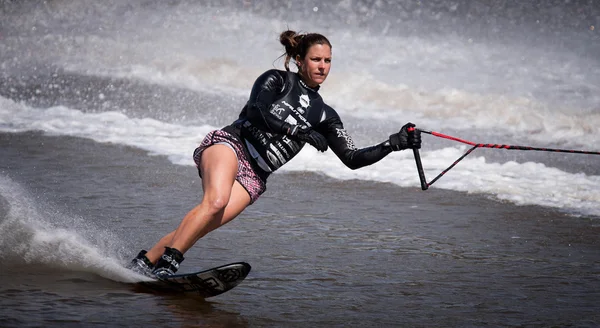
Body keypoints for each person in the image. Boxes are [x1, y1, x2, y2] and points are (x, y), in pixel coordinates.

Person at [128, 30, 421, 278]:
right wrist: (296, 132)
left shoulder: (326, 115)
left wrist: (393, 143)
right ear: (299, 60)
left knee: (200, 226)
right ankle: (169, 264)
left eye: (328, 60)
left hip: (256, 175)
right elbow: (256, 113)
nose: (322, 66)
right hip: (232, 145)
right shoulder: (277, 80)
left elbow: (353, 158)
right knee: (215, 202)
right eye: (316, 59)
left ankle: (144, 263)